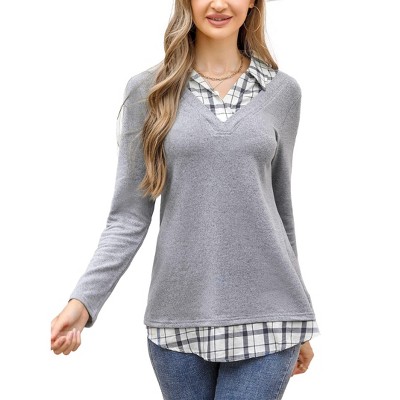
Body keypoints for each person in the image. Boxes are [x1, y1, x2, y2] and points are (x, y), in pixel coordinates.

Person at [51, 0, 321, 398]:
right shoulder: (149, 90)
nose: (219, 4)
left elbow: (280, 211)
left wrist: (299, 315)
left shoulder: (282, 92)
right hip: (177, 321)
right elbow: (128, 217)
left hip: (271, 319)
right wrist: (84, 301)